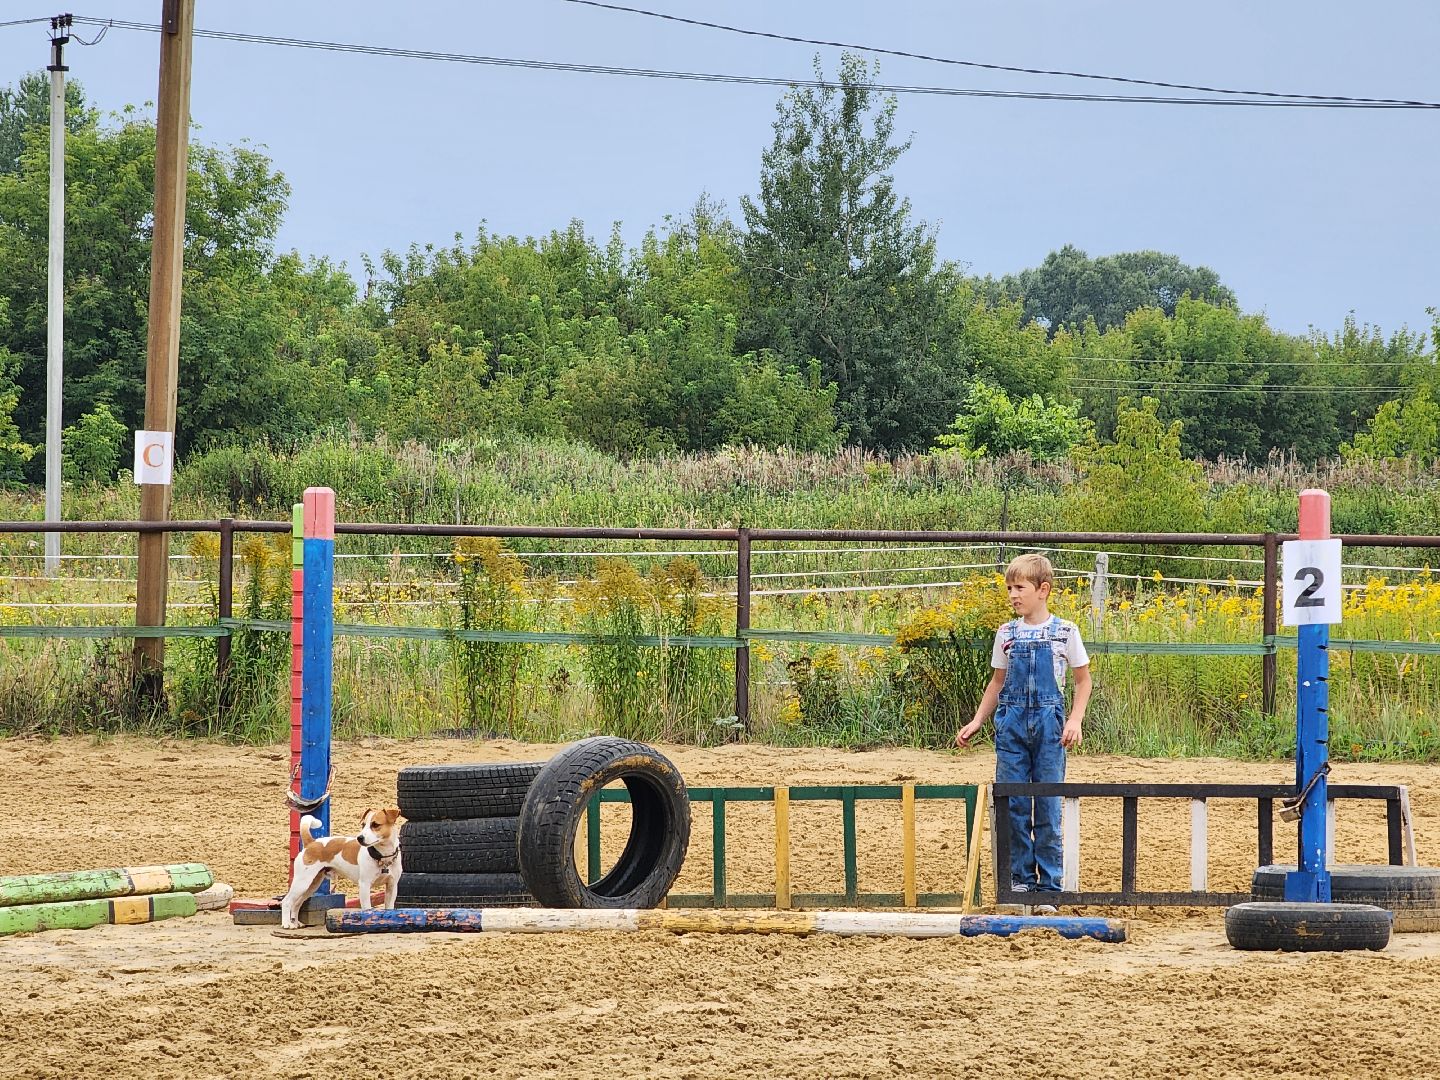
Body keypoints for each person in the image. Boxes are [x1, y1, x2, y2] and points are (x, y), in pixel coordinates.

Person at [956, 553, 1092, 913]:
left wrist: (1074, 720)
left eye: (1020, 588)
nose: (1013, 595)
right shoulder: (1006, 633)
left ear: (1042, 590)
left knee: (1047, 806)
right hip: (1011, 727)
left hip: (1050, 728)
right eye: (1009, 589)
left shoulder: (1066, 631)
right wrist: (977, 720)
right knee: (1014, 805)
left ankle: (1049, 887)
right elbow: (997, 683)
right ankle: (1019, 883)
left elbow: (1083, 681)